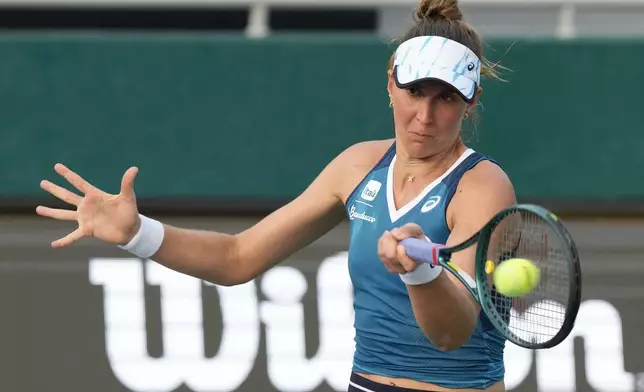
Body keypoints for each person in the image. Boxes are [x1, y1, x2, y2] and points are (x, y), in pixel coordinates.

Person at [37, 0, 516, 390]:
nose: (425, 117)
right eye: (415, 91)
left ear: (470, 102)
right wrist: (137, 234)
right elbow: (238, 257)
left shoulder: (482, 186)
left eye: (446, 98)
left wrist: (422, 270)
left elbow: (452, 333)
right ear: (390, 83)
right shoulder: (358, 165)